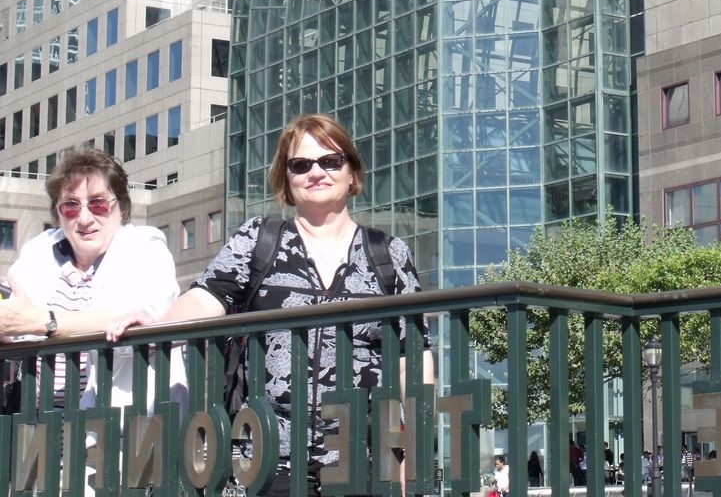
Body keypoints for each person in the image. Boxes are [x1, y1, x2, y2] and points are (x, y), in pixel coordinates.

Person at [108, 113, 435, 497]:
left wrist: (409, 457)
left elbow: (412, 360)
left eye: (330, 161)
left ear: (351, 173)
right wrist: (158, 324)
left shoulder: (388, 253)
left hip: (359, 458)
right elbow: (207, 296)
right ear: (286, 179)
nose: (316, 172)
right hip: (263, 459)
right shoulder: (258, 240)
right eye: (300, 165)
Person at [0, 146, 184, 490]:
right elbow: (15, 317)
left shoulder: (145, 245)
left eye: (98, 203)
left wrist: (45, 322)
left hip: (122, 435)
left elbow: (130, 315)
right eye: (70, 205)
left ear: (121, 207)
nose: (84, 218)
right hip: (43, 433)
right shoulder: (40, 250)